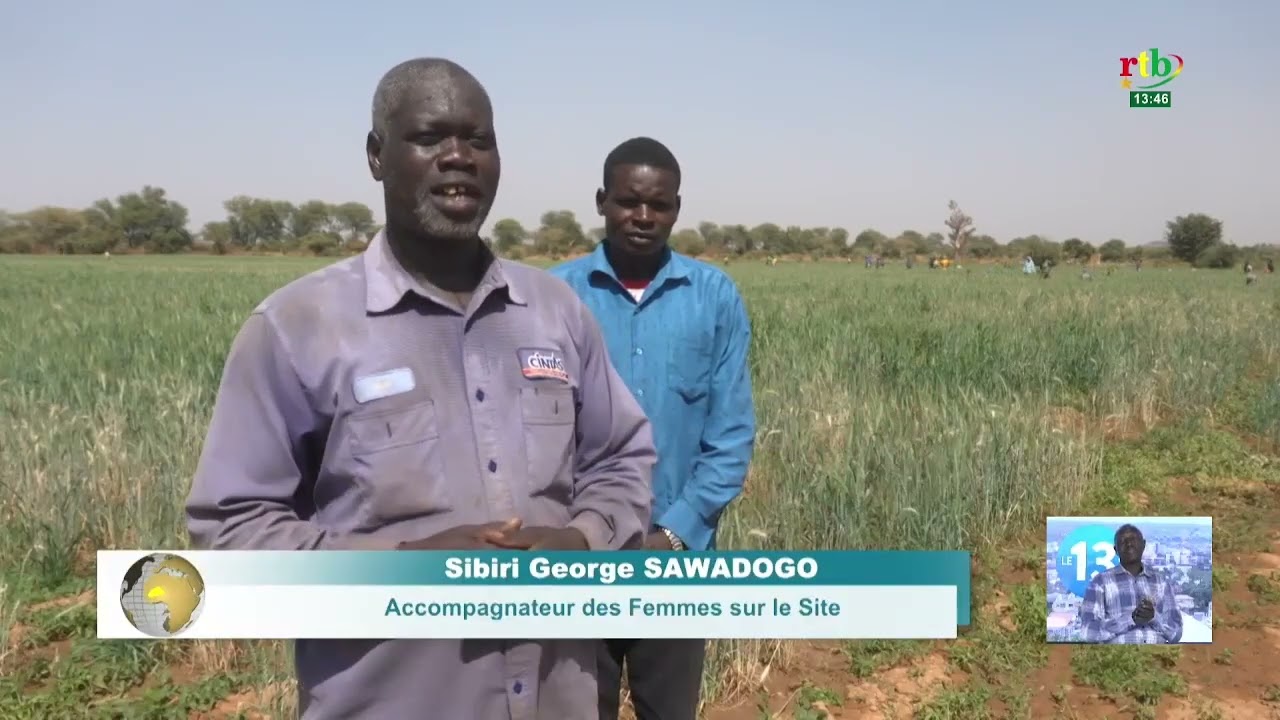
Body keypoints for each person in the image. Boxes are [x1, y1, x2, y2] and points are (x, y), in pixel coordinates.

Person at [184, 58, 657, 720]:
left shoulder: (555, 311)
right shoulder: (298, 327)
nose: (458, 157)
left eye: (479, 140)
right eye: (430, 138)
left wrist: (580, 539)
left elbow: (622, 459)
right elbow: (232, 532)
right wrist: (403, 567)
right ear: (377, 156)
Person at [549, 137, 756, 720]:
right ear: (601, 202)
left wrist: (671, 537)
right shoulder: (553, 296)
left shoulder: (713, 296)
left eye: (658, 205)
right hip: (578, 562)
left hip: (677, 562)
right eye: (628, 201)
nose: (643, 217)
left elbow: (731, 432)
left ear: (676, 209)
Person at [1078, 524, 1183, 644]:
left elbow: (1176, 634)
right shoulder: (1100, 582)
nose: (1129, 544)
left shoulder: (1161, 582)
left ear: (1143, 545)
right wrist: (1130, 619)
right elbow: (1087, 632)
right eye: (1123, 541)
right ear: (1115, 550)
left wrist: (1154, 618)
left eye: (1133, 539)